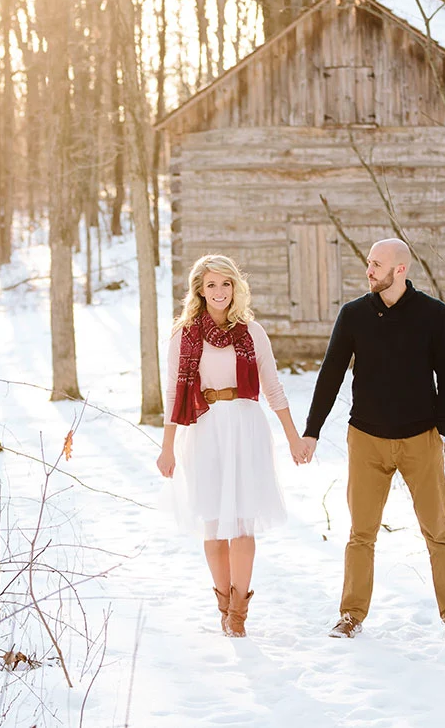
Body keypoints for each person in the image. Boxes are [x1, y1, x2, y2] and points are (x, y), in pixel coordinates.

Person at [300, 238, 445, 643]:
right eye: (369, 262)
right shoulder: (354, 315)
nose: (369, 270)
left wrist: (440, 430)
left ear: (400, 270)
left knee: (437, 532)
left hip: (420, 440)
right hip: (366, 440)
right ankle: (351, 614)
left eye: (377, 264)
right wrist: (312, 430)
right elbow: (330, 374)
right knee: (361, 533)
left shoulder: (433, 314)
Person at [156, 254, 308, 637]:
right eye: (211, 284)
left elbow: (273, 387)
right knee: (213, 525)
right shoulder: (184, 335)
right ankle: (222, 605)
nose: (219, 291)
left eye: (226, 283)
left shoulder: (252, 332)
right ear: (200, 290)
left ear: (235, 287)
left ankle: (238, 614)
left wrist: (293, 436)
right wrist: (167, 447)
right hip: (204, 430)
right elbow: (173, 392)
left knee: (242, 523)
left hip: (245, 428)